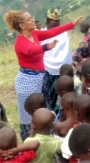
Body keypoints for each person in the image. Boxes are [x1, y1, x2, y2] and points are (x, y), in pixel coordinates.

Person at [3, 9, 82, 141]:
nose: (33, 20)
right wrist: (46, 47)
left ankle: (46, 134)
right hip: (27, 81)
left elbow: (51, 32)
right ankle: (30, 138)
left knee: (43, 107)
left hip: (40, 77)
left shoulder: (34, 34)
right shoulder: (20, 41)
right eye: (29, 19)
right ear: (22, 25)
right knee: (30, 112)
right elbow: (31, 50)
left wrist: (71, 24)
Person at [40, 9, 77, 112]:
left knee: (62, 94)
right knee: (48, 95)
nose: (55, 30)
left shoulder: (63, 33)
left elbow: (65, 52)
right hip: (47, 70)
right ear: (46, 23)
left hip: (62, 71)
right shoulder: (41, 34)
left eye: (57, 26)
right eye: (52, 26)